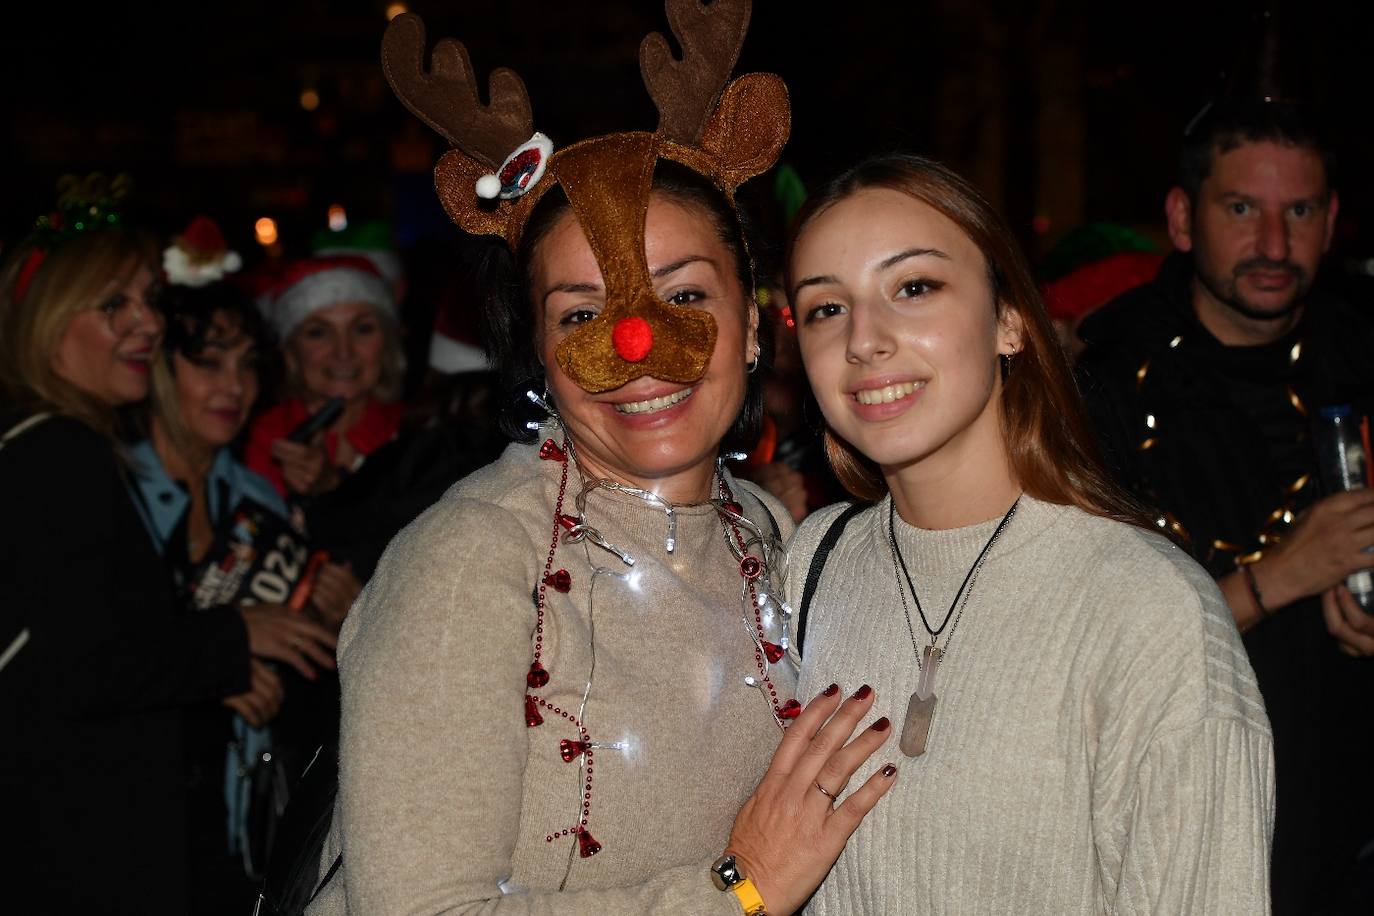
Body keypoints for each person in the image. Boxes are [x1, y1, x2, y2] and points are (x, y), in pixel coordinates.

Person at [302, 6, 898, 915]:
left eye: (686, 295)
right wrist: (739, 892)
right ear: (538, 351)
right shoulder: (469, 564)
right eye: (581, 315)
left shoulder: (766, 534)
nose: (636, 344)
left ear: (750, 324)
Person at [782, 153, 1273, 912]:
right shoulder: (809, 565)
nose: (864, 340)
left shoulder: (1149, 611)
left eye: (914, 288)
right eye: (825, 308)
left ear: (1009, 319)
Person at [0, 179, 335, 915]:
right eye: (114, 305)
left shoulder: (69, 449)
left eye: (150, 300)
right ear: (48, 319)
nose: (145, 323)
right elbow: (86, 664)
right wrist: (233, 641)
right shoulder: (54, 451)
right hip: (73, 849)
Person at [1076, 99, 1374, 912]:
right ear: (1182, 218)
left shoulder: (1360, 357)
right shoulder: (1102, 385)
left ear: (1332, 219)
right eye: (1242, 208)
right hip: (1186, 844)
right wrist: (1279, 577)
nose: (1274, 245)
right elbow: (1085, 655)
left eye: (1300, 211)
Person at [245, 254, 406, 499]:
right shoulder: (263, 441)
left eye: (362, 329)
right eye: (318, 333)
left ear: (387, 343)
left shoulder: (415, 434)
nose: (343, 352)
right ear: (290, 353)